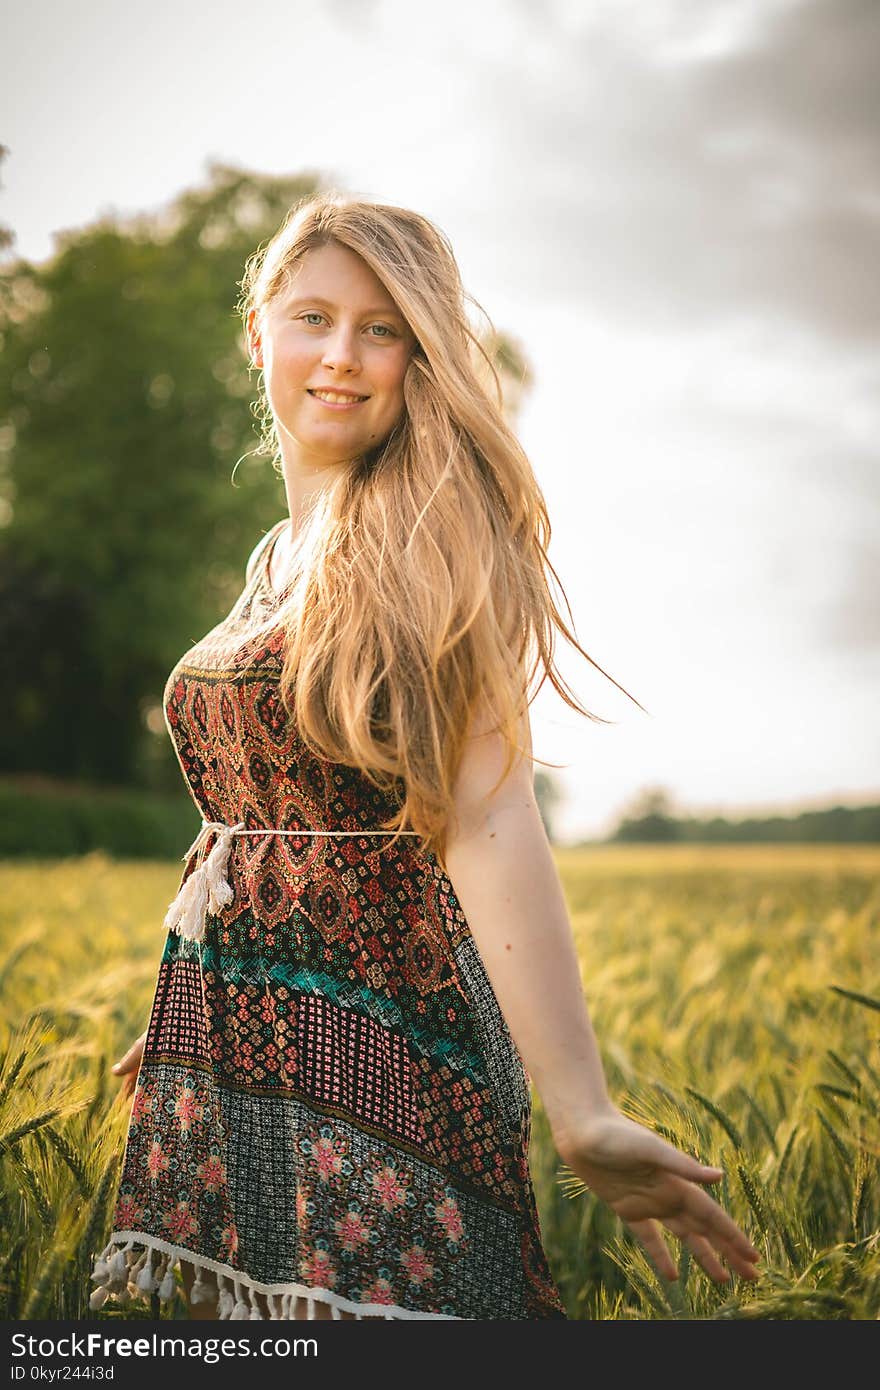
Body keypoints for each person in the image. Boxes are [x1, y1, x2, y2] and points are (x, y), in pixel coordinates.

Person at [89, 194, 760, 1322]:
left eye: (382, 327)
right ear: (257, 335)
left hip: (386, 1038)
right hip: (244, 1031)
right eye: (312, 318)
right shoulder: (281, 553)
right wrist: (188, 998)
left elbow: (489, 813)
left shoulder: (422, 534)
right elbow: (270, 805)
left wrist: (581, 1106)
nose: (342, 356)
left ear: (420, 354)